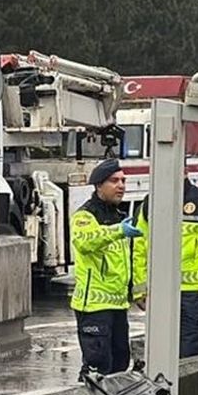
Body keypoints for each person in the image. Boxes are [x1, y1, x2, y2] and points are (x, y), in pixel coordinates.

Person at [133, 169, 198, 357]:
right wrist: (140, 288)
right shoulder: (151, 202)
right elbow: (140, 247)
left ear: (184, 171)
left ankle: (185, 388)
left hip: (194, 293)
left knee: (190, 352)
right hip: (160, 292)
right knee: (159, 354)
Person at [70, 158, 141, 375]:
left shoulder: (119, 217)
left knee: (120, 363)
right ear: (99, 185)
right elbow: (86, 242)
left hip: (118, 306)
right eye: (114, 181)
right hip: (93, 307)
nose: (121, 186)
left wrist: (136, 292)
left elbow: (126, 260)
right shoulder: (85, 215)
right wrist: (118, 230)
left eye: (123, 181)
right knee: (98, 365)